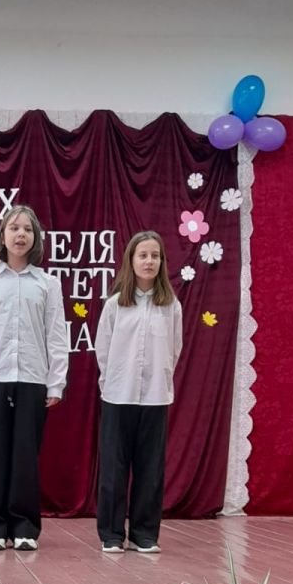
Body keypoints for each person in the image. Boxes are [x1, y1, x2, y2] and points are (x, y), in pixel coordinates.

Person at [0, 205, 68, 551]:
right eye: (14, 228)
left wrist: (56, 381)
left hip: (33, 379)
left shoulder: (48, 284)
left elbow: (56, 335)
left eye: (28, 229)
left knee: (25, 456)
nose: (21, 234)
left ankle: (24, 527)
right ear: (2, 235)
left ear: (36, 238)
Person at [95, 230, 182, 554]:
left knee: (150, 468)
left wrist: (160, 377)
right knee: (114, 467)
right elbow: (103, 349)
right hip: (119, 394)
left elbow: (175, 349)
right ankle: (112, 533)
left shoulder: (170, 306)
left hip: (156, 396)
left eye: (155, 256)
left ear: (162, 262)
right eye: (143, 255)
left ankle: (144, 534)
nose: (149, 261)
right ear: (131, 261)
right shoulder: (116, 305)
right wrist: (112, 381)